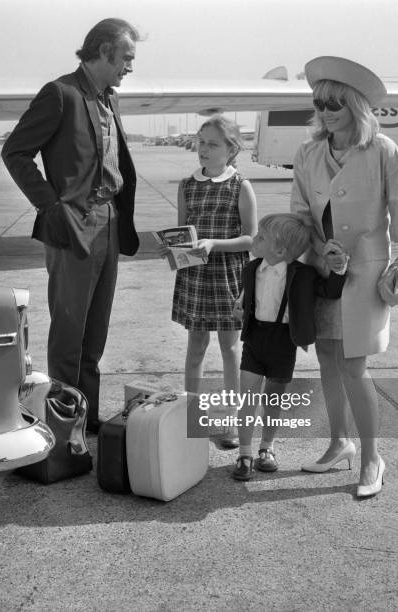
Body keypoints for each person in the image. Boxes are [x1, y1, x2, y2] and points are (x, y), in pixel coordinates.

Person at [2, 19, 142, 434]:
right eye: (127, 58)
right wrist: (51, 206)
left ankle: (88, 416)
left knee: (95, 328)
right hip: (75, 223)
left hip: (110, 221)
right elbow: (16, 152)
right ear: (103, 51)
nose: (130, 67)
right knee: (69, 331)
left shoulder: (107, 98)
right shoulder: (60, 94)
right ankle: (65, 427)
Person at [291, 56, 398, 497]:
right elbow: (299, 212)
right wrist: (315, 249)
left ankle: (371, 458)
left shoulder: (383, 150)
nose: (325, 111)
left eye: (335, 104)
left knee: (353, 364)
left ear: (355, 107)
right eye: (319, 102)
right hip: (320, 271)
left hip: (365, 272)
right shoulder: (307, 152)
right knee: (326, 357)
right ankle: (338, 442)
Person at [162, 115, 257, 449]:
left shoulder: (239, 185)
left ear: (230, 149)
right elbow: (182, 232)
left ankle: (231, 419)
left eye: (212, 144)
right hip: (196, 276)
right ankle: (192, 415)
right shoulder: (187, 185)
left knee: (230, 349)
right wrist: (174, 249)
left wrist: (215, 244)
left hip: (228, 275)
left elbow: (252, 239)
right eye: (201, 142)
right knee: (195, 347)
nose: (203, 149)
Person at [230, 214, 347, 481]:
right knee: (247, 396)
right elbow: (249, 299)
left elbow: (330, 291)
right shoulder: (251, 269)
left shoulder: (304, 274)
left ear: (280, 250)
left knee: (273, 398)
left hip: (284, 342)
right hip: (255, 337)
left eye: (261, 238)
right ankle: (244, 453)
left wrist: (338, 269)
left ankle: (266, 448)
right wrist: (241, 310)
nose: (254, 240)